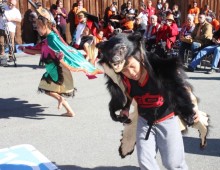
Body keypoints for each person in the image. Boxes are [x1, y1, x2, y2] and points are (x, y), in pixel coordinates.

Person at [97, 32, 208, 170]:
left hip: (167, 118)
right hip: (144, 120)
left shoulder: (159, 69)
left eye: (132, 66)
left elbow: (182, 88)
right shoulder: (124, 78)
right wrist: (124, 108)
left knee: (173, 163)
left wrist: (192, 108)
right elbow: (127, 93)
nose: (131, 72)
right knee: (145, 161)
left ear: (140, 58)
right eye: (125, 70)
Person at [19, 7, 102, 117]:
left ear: (46, 25)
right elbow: (39, 49)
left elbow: (64, 49)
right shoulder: (47, 39)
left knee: (46, 88)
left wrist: (62, 55)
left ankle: (62, 101)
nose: (37, 29)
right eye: (36, 27)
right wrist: (25, 49)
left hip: (57, 69)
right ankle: (69, 110)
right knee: (48, 88)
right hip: (51, 68)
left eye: (39, 27)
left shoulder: (52, 38)